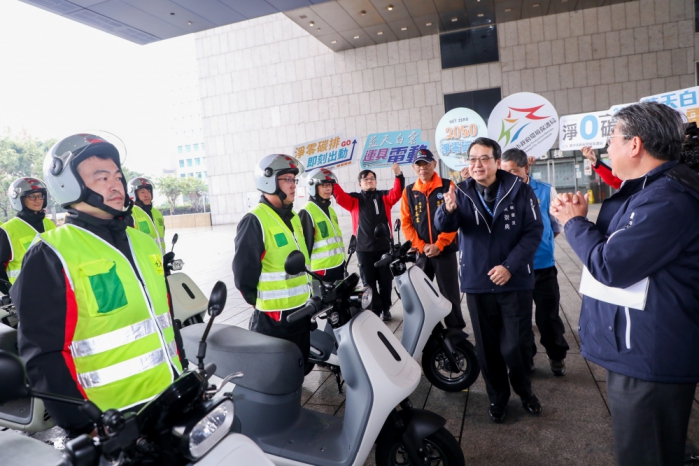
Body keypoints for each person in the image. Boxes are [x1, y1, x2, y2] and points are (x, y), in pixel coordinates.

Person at [550, 101, 699, 466]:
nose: (607, 148)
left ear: (635, 145)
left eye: (612, 139)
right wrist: (580, 218)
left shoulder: (666, 199)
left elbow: (610, 264)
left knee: (646, 454)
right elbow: (620, 246)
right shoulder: (650, 189)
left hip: (651, 356)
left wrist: (573, 223)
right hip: (641, 347)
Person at [12, 134, 186, 435]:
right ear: (68, 185)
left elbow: (166, 320)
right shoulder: (50, 254)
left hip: (170, 397)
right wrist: (83, 424)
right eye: (102, 178)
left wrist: (183, 373)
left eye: (118, 176)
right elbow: (43, 355)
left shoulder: (144, 243)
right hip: (110, 420)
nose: (116, 185)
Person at [435, 137, 544, 423]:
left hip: (514, 281)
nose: (478, 164)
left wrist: (509, 266)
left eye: (484, 158)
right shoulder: (460, 191)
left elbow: (534, 232)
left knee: (516, 346)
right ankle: (498, 398)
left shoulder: (520, 190)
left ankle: (525, 392)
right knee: (487, 348)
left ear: (497, 162)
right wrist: (447, 209)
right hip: (478, 282)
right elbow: (443, 226)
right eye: (473, 159)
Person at [233, 154, 313, 364]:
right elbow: (243, 276)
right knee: (278, 374)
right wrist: (260, 302)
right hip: (274, 320)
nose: (293, 185)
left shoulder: (294, 218)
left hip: (301, 312)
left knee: (300, 369)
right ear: (268, 180)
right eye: (287, 179)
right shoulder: (254, 220)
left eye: (294, 179)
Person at [500, 148, 569, 376]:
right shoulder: (499, 192)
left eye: (514, 171)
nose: (509, 176)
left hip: (542, 266)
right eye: (505, 171)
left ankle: (557, 356)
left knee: (548, 317)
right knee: (520, 319)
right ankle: (526, 358)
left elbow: (556, 226)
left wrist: (541, 245)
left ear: (526, 168)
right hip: (515, 268)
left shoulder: (546, 191)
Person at [400, 148, 465, 329]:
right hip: (422, 253)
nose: (423, 168)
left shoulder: (448, 186)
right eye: (419, 165)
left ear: (434, 164)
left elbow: (455, 219)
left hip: (444, 251)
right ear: (414, 167)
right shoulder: (409, 191)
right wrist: (422, 246)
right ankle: (429, 329)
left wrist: (439, 244)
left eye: (426, 164)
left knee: (450, 293)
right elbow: (406, 224)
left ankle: (455, 329)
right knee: (422, 294)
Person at [333, 163, 404, 321]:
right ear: (360, 183)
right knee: (368, 283)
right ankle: (375, 309)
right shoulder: (355, 199)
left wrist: (398, 175)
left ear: (376, 182)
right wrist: (332, 181)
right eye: (365, 179)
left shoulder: (384, 197)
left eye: (372, 178)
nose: (369, 180)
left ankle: (386, 308)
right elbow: (340, 197)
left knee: (386, 282)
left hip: (385, 247)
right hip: (363, 249)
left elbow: (397, 192)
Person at [0, 178, 56, 293]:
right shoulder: (7, 230)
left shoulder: (49, 224)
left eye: (40, 196)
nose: (38, 200)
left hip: (54, 291)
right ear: (19, 199)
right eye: (32, 196)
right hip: (25, 295)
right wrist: (10, 293)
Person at [298, 168, 345, 283]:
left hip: (338, 266)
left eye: (330, 185)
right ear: (313, 187)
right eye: (324, 185)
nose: (328, 188)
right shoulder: (307, 211)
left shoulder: (330, 210)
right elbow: (304, 247)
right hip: (321, 271)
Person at [127, 177, 166, 254]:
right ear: (133, 194)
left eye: (149, 191)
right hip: (143, 260)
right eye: (142, 192)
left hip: (160, 259)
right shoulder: (130, 214)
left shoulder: (158, 214)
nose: (147, 195)